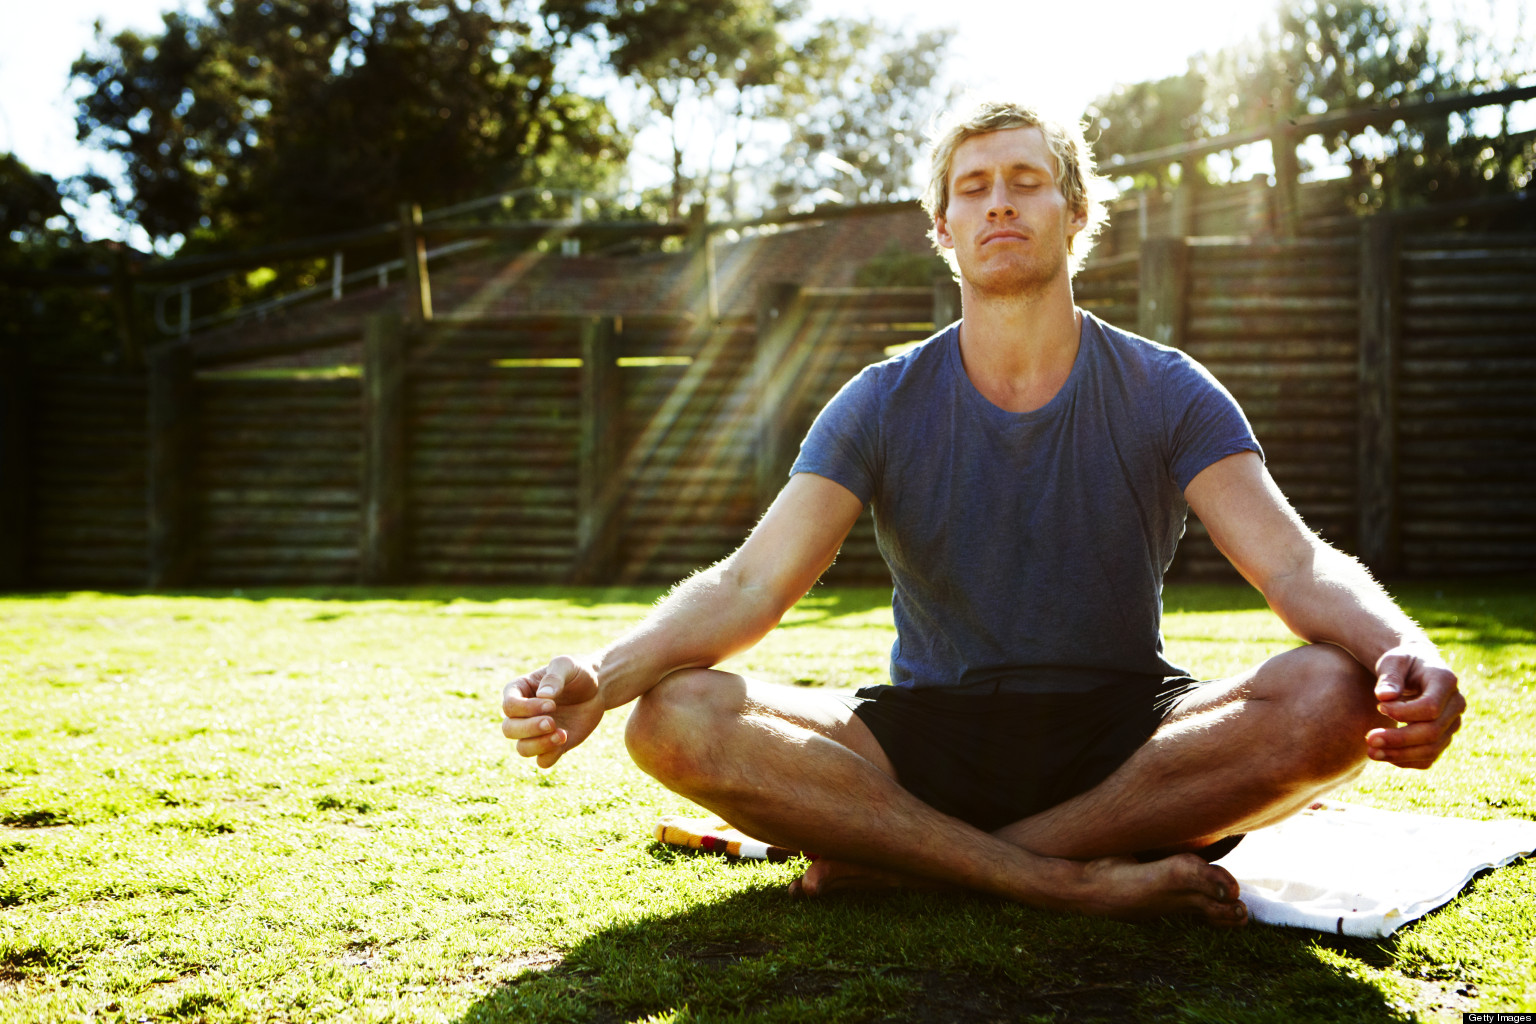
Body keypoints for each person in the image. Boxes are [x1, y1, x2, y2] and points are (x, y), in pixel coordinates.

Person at [501, 100, 1465, 925]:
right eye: (972, 186)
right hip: (929, 734)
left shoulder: (1168, 390)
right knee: (672, 717)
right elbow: (752, 582)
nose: (998, 199)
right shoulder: (880, 400)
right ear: (943, 227)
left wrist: (1399, 648)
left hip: (1131, 738)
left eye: (1025, 179)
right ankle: (1056, 884)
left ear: (1076, 212)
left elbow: (1294, 566)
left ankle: (919, 863)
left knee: (1333, 696)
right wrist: (604, 674)